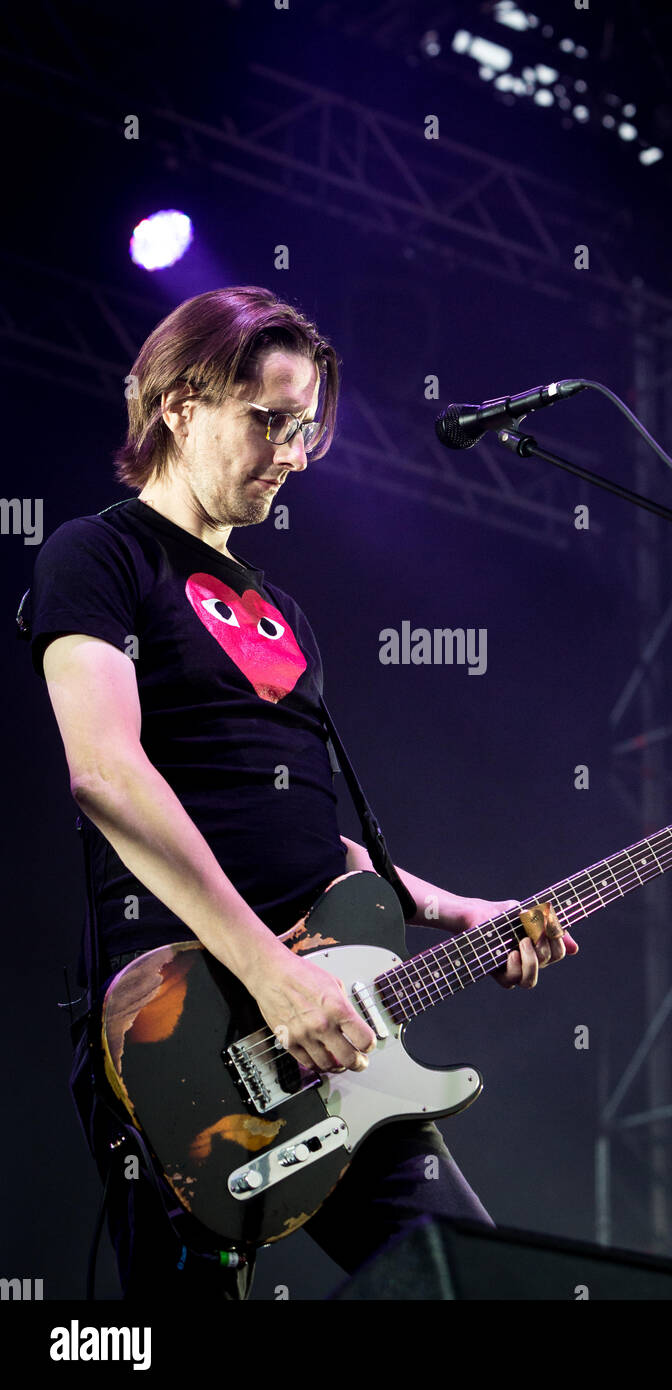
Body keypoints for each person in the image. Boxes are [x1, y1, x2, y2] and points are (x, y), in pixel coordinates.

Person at [25, 285, 577, 1300]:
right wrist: (270, 975)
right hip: (181, 1024)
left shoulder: (279, 612)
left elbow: (318, 840)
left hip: (326, 1020)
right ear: (178, 405)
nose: (290, 452)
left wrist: (456, 907)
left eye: (306, 427)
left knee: (468, 1284)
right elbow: (103, 770)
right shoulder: (96, 555)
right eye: (266, 420)